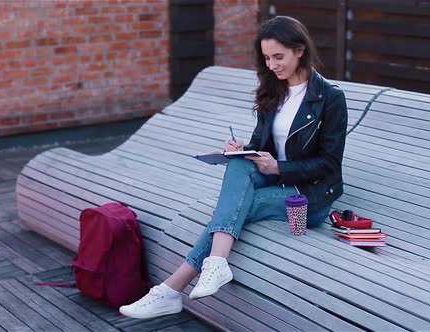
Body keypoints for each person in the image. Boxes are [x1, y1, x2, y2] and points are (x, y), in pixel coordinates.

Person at [119, 15, 348, 319]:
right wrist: (243, 150)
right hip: (274, 180)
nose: (272, 65)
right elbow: (262, 146)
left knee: (234, 208)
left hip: (307, 197)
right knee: (239, 166)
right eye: (266, 58)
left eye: (278, 57)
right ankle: (214, 265)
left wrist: (279, 169)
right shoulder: (274, 90)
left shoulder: (329, 99)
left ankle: (171, 289)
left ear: (300, 50)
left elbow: (329, 164)